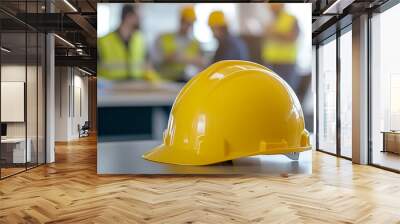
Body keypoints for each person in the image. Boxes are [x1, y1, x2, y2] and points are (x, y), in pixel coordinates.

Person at [98, 4, 158, 81]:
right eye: (138, 16)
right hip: (110, 87)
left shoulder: (141, 39)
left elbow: (148, 67)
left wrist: (157, 83)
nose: (141, 19)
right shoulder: (103, 40)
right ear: (128, 17)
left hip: (135, 86)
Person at [156, 6, 205, 82]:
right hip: (166, 81)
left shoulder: (195, 43)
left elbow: (201, 62)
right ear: (181, 21)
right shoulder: (165, 38)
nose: (189, 26)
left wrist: (179, 57)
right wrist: (191, 58)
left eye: (191, 24)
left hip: (187, 81)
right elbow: (161, 58)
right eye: (187, 23)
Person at [262, 3, 299, 91]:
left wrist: (274, 32)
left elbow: (292, 37)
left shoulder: (291, 19)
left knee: (286, 91)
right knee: (272, 90)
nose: (270, 6)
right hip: (271, 62)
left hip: (286, 63)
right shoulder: (271, 20)